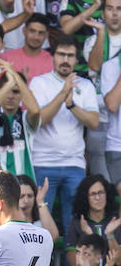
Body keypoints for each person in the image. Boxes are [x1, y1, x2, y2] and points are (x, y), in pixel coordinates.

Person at [29, 42, 99, 230]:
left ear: (77, 59)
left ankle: (72, 261)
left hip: (74, 165)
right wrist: (63, 93)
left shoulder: (86, 86)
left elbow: (93, 122)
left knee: (75, 227)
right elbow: (40, 120)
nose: (65, 60)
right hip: (42, 163)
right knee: (39, 226)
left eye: (70, 55)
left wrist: (72, 106)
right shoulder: (39, 82)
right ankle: (41, 261)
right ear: (52, 57)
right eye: (61, 54)